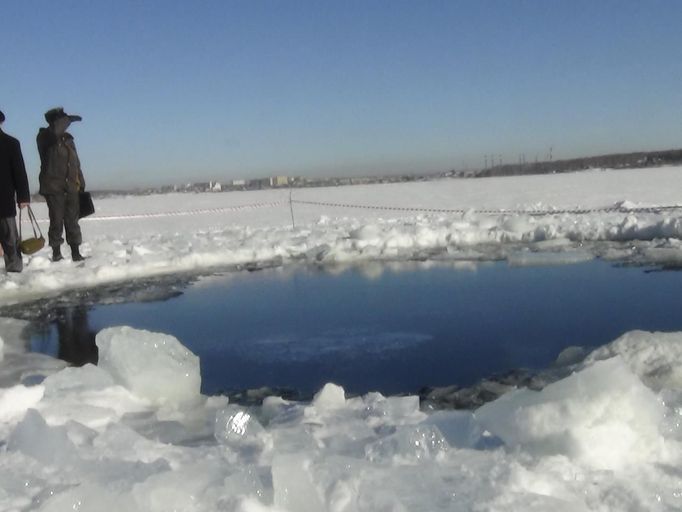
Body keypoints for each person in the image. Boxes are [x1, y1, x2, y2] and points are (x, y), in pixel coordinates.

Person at [37, 107, 86, 262]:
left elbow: (75, 163)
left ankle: (75, 252)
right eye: (62, 120)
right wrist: (68, 119)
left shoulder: (68, 139)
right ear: (56, 121)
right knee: (57, 220)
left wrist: (81, 183)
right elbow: (55, 131)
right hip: (53, 186)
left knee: (72, 220)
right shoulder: (45, 137)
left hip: (71, 186)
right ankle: (56, 252)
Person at [0, 109, 31, 273]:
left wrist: (23, 196)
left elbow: (19, 171)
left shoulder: (10, 143)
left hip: (3, 200)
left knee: (10, 240)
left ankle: (14, 272)